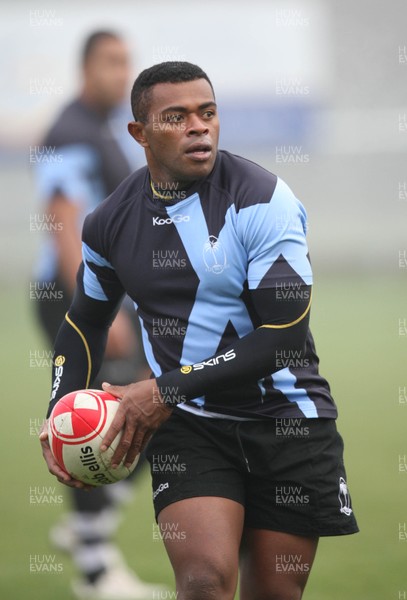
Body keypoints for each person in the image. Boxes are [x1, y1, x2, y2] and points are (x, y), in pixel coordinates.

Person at [40, 61, 359, 600]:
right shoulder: (109, 222)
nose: (198, 126)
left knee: (276, 593)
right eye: (177, 116)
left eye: (207, 113)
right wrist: (60, 409)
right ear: (139, 133)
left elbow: (283, 335)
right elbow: (84, 321)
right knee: (204, 580)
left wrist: (162, 389)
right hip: (191, 426)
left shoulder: (263, 200)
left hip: (288, 421)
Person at [34, 31, 166, 599]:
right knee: (106, 423)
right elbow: (64, 221)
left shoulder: (105, 130)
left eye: (127, 63)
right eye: (113, 63)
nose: (123, 74)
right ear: (87, 67)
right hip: (80, 304)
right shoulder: (69, 131)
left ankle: (88, 532)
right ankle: (93, 571)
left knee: (145, 420)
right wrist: (95, 310)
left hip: (106, 302)